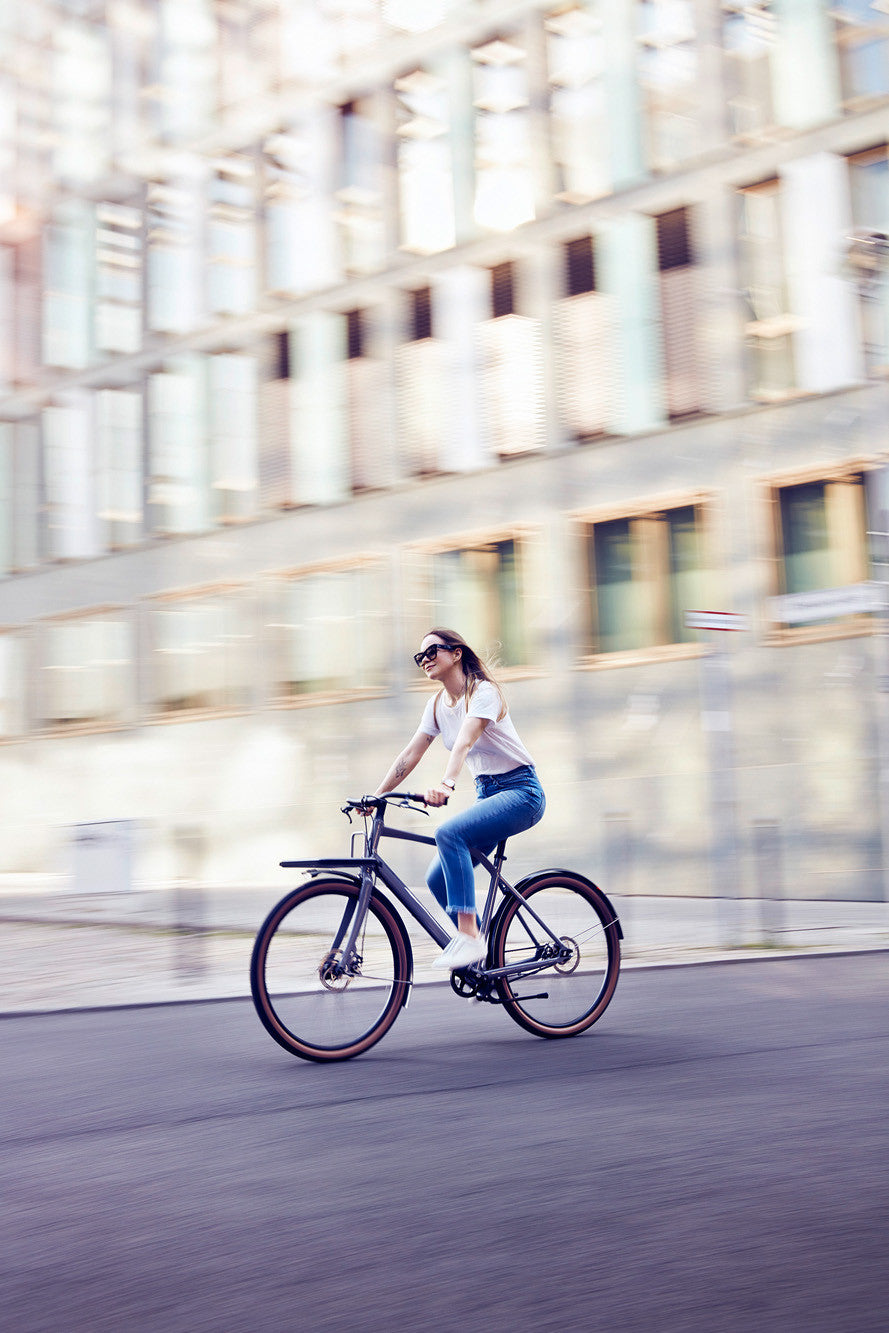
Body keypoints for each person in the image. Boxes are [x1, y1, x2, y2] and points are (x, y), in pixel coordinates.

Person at [369, 628, 545, 971]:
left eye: (432, 651)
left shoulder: (484, 693)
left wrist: (447, 784)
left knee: (448, 834)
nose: (425, 660)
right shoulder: (436, 705)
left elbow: (465, 739)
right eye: (420, 657)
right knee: (437, 879)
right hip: (488, 796)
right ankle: (485, 957)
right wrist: (377, 796)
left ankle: (470, 938)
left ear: (457, 653)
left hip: (521, 792)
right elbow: (411, 753)